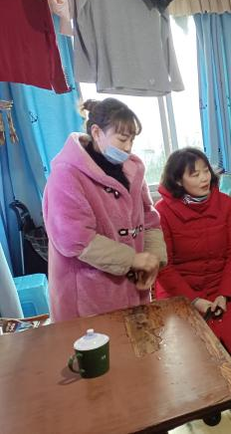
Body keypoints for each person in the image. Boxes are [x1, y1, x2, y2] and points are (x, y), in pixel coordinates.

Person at [155, 147, 231, 425]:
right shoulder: (162, 212)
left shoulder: (225, 204)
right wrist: (194, 300)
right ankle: (211, 398)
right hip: (181, 293)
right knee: (196, 348)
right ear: (178, 180)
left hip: (221, 285)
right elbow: (164, 266)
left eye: (205, 171)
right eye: (194, 174)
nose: (204, 178)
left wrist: (224, 293)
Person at [44, 98, 167, 322]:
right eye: (122, 139)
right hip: (88, 295)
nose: (128, 148)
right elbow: (75, 239)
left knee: (136, 340)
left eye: (132, 140)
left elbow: (148, 217)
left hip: (132, 288)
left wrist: (152, 260)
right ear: (97, 132)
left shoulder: (133, 168)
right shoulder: (66, 174)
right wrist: (132, 259)